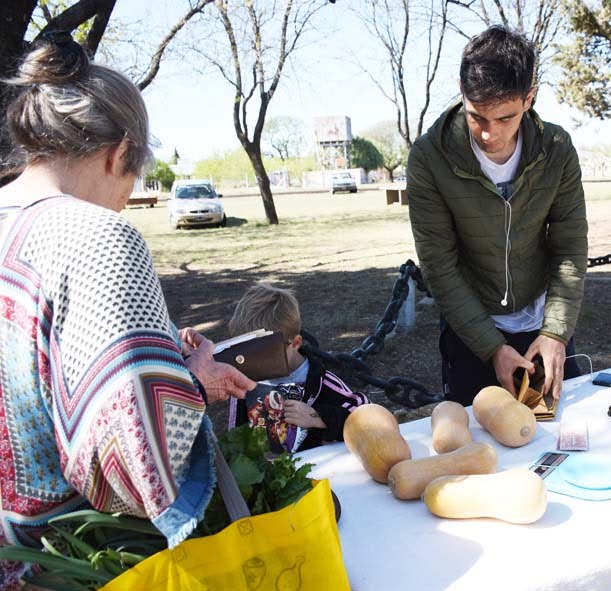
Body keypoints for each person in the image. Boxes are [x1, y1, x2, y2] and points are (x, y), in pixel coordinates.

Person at [0, 34, 254, 587]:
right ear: (120, 152)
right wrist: (194, 381)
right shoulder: (95, 235)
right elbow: (130, 456)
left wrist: (156, 347)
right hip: (59, 563)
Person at [407, 26, 588, 406]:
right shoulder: (428, 158)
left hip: (544, 322)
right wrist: (492, 347)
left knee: (560, 434)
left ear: (529, 97)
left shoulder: (556, 150)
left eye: (505, 118)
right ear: (462, 90)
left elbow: (569, 248)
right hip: (471, 330)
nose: (489, 135)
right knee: (480, 446)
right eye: (477, 118)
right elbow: (439, 266)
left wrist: (555, 332)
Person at [228, 283, 369, 453]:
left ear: (295, 343)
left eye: (265, 354)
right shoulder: (243, 385)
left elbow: (366, 415)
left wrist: (316, 416)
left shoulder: (322, 382)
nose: (256, 362)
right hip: (266, 475)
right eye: (248, 353)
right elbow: (235, 435)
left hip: (321, 473)